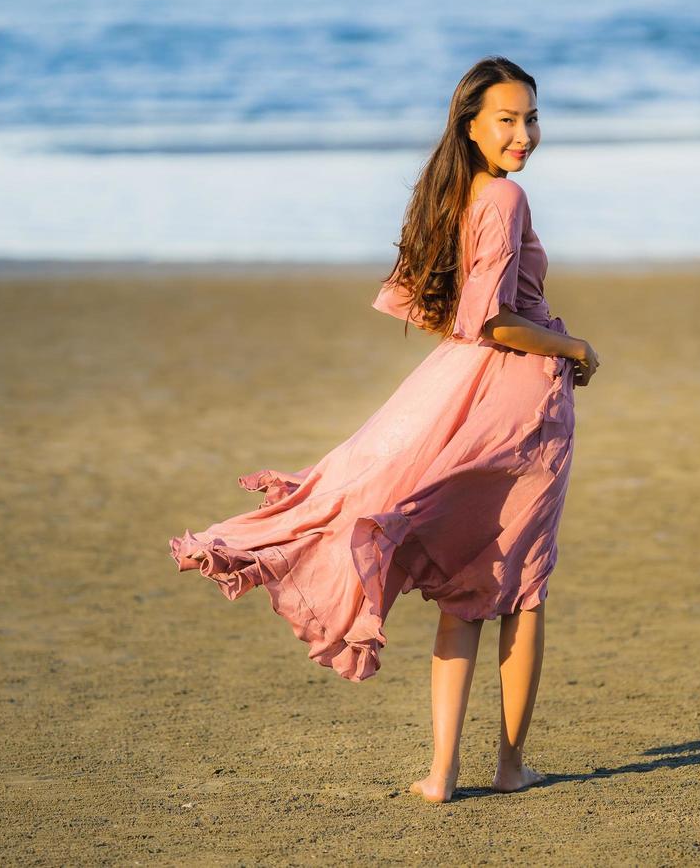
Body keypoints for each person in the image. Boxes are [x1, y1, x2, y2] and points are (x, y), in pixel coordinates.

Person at [166, 56, 601, 803]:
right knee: (522, 592)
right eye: (508, 118)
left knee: (469, 592)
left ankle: (441, 774)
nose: (524, 133)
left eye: (532, 117)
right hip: (517, 407)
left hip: (456, 389)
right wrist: (573, 348)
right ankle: (507, 769)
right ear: (470, 124)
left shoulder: (453, 194)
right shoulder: (503, 197)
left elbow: (438, 312)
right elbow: (490, 318)